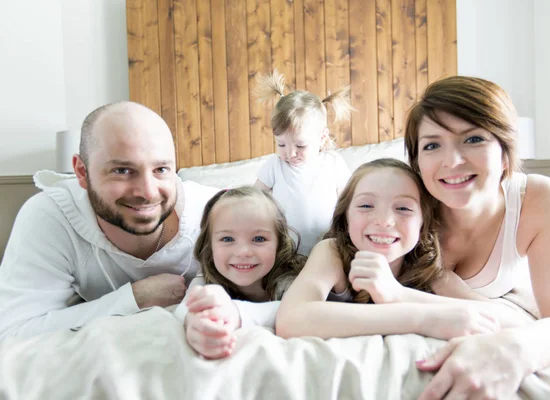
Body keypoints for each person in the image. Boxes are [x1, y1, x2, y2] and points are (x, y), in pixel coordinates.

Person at [0, 102, 270, 340]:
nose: (148, 192)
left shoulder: (218, 215)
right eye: (122, 170)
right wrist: (134, 299)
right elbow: (12, 332)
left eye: (161, 169)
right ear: (82, 172)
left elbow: (290, 294)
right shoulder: (51, 216)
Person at [401, 76, 550, 399]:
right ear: (417, 162)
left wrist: (516, 349)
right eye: (432, 145)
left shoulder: (539, 199)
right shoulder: (404, 205)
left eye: (473, 139)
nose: (451, 161)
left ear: (506, 153)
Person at [276, 158, 501, 339]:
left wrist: (396, 293)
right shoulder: (332, 252)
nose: (384, 221)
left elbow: (505, 318)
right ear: (346, 216)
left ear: (424, 222)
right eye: (365, 205)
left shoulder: (426, 266)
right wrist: (421, 318)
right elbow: (291, 320)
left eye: (403, 208)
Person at [175, 186, 306, 359]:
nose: (243, 252)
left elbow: (302, 310)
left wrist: (234, 312)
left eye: (259, 239)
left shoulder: (291, 280)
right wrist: (195, 322)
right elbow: (182, 310)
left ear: (279, 243)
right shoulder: (206, 279)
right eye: (227, 239)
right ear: (210, 245)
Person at [254, 70, 352, 256]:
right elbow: (252, 199)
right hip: (286, 251)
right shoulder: (275, 166)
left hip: (329, 247)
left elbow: (348, 201)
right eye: (281, 144)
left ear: (322, 137)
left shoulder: (333, 163)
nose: (290, 153)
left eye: (300, 145)